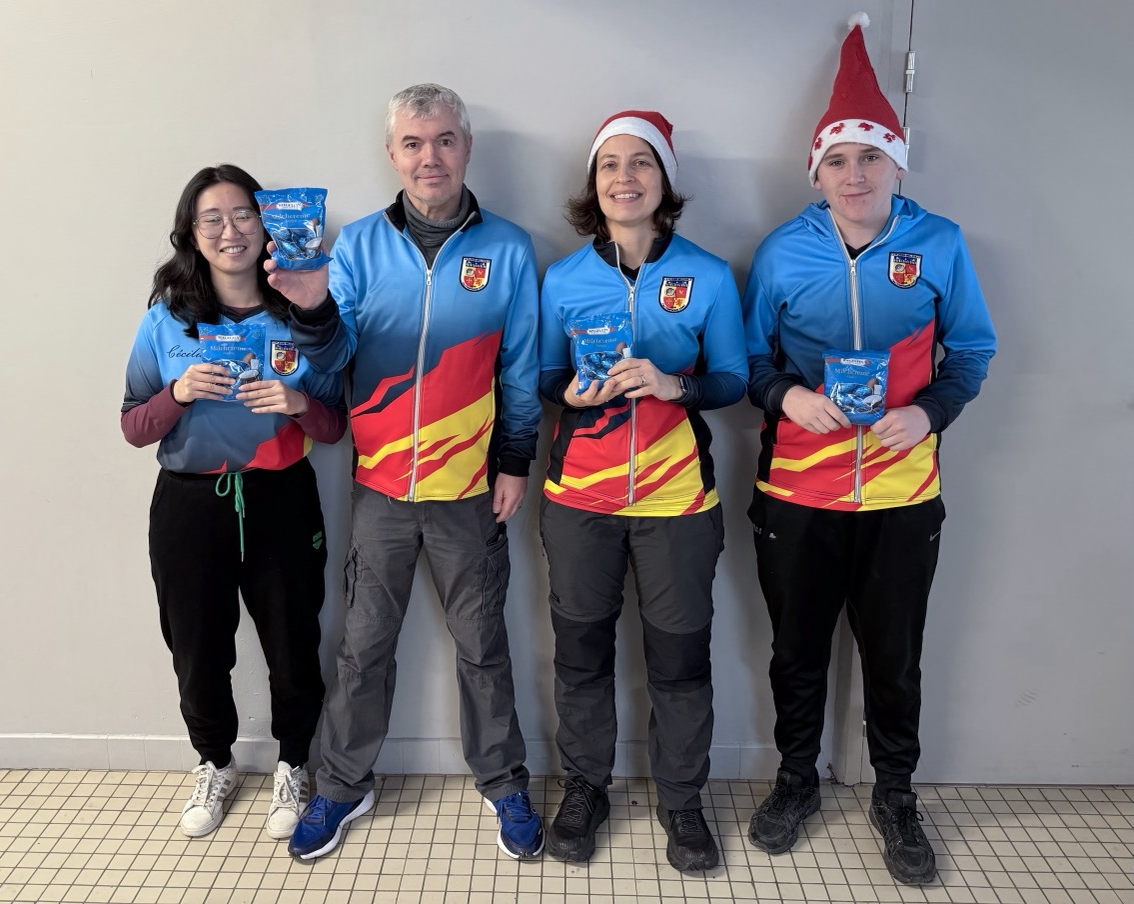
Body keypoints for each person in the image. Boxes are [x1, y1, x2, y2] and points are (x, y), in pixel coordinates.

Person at [741, 14, 997, 886]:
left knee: (894, 657)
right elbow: (748, 360)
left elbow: (972, 351)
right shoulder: (781, 253)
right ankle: (794, 782)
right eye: (838, 161)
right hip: (796, 493)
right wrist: (787, 396)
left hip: (901, 494)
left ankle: (894, 795)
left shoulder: (939, 245)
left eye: (870, 158)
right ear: (815, 171)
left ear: (897, 165)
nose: (854, 175)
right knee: (795, 653)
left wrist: (929, 413)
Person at [268, 84, 544, 862]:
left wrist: (514, 460)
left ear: (466, 148)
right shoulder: (356, 246)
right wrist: (312, 309)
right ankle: (340, 786)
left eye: (446, 140)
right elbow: (333, 360)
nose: (431, 157)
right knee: (362, 649)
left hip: (469, 489)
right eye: (414, 143)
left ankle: (504, 781)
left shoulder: (508, 249)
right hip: (381, 488)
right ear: (392, 154)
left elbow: (520, 367)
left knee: (482, 646)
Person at [537, 111, 748, 872]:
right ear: (593, 184)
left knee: (680, 662)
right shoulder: (563, 278)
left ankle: (682, 800)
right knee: (580, 657)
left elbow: (732, 378)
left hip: (677, 504)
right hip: (579, 501)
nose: (624, 178)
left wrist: (673, 384)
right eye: (609, 165)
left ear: (664, 181)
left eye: (641, 163)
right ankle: (584, 788)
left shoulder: (708, 275)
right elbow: (543, 376)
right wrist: (572, 394)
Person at [121, 164, 347, 840]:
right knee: (195, 646)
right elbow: (133, 425)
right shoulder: (166, 321)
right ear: (191, 234)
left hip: (282, 499)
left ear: (266, 223)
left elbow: (335, 427)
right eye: (211, 219)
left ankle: (294, 764)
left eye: (243, 214)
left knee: (293, 641)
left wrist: (298, 403)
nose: (230, 231)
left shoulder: (301, 315)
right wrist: (179, 393)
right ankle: (213, 762)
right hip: (190, 506)